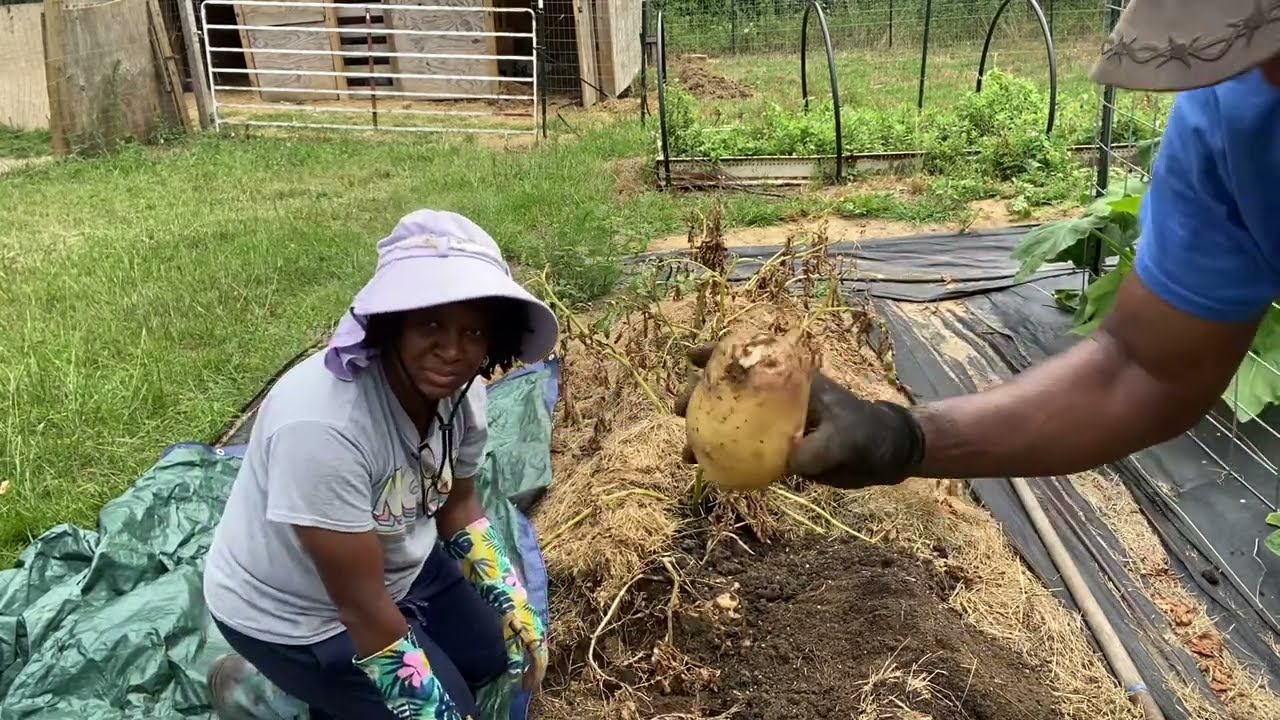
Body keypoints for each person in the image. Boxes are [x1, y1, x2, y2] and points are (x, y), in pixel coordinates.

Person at [677, 0, 1280, 489]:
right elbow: (1143, 368)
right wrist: (902, 439)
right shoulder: (1233, 120)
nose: (1268, 71)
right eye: (1260, 47)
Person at [201, 209, 559, 720]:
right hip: (303, 616)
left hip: (397, 564)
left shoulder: (465, 393)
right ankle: (264, 686)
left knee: (487, 659)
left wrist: (508, 595)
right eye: (431, 323)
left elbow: (458, 504)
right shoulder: (324, 426)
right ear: (391, 323)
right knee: (451, 709)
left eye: (474, 332)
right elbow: (360, 606)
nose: (452, 350)